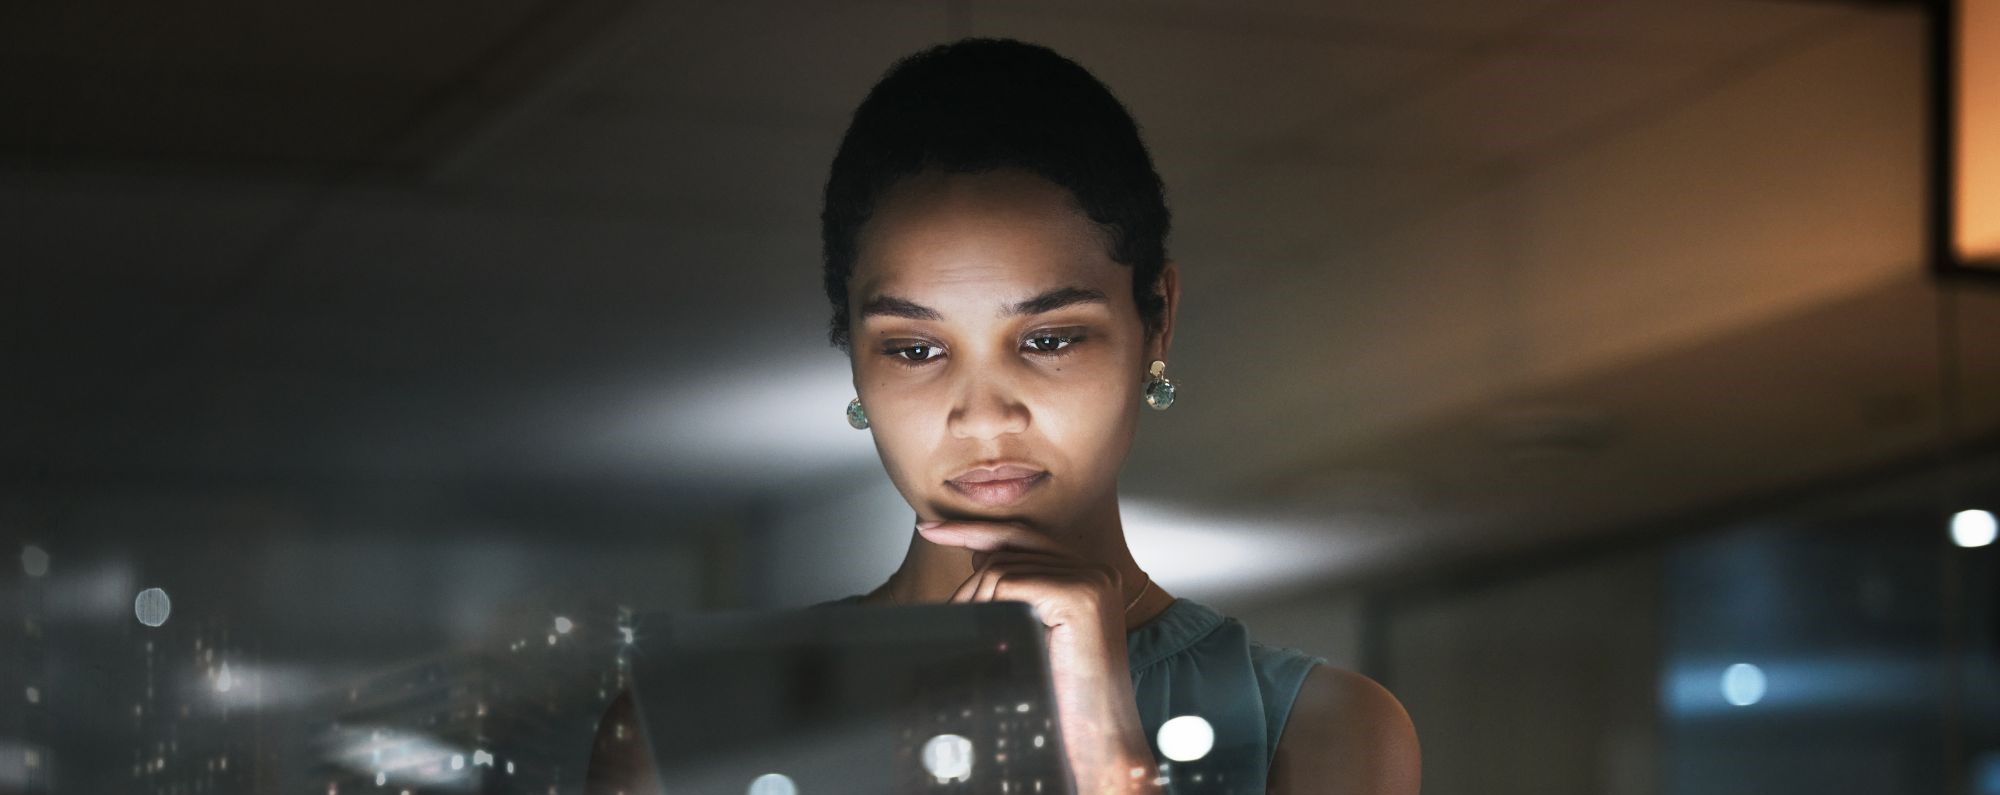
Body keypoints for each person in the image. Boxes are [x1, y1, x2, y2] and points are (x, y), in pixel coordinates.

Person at [584, 37, 1419, 795]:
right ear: (851, 350)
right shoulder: (685, 728)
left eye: (1050, 337)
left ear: (1156, 317)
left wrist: (1113, 763)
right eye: (915, 349)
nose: (982, 415)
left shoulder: (1321, 730)